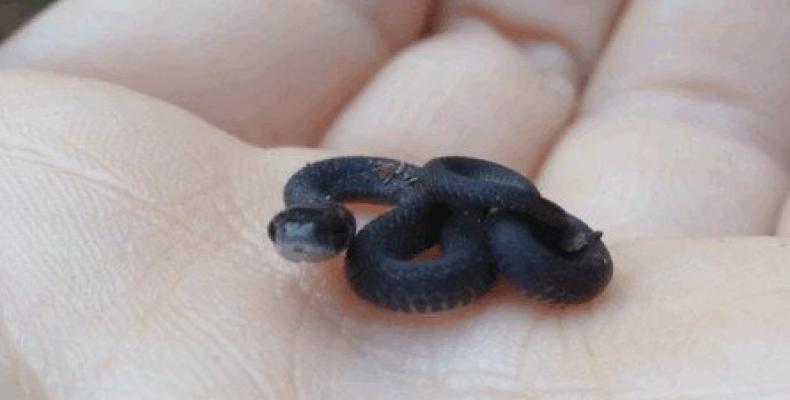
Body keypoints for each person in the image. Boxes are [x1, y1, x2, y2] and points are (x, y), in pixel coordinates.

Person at [0, 1, 788, 398]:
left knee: (501, 233)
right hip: (472, 208)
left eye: (311, 235)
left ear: (344, 228)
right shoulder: (338, 211)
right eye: (295, 236)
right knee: (496, 228)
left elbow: (448, 201)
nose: (303, 246)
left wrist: (544, 238)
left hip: (485, 212)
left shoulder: (401, 227)